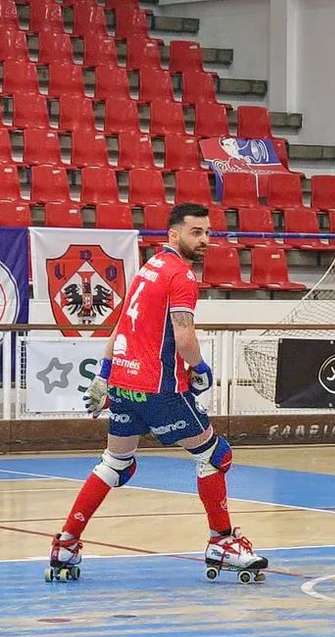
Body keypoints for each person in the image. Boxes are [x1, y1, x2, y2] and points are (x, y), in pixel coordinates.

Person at [45, 203, 268, 584]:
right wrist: (199, 370)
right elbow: (184, 335)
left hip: (125, 386)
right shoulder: (181, 276)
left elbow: (120, 329)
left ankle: (66, 544)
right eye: (196, 232)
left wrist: (104, 376)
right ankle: (221, 541)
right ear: (173, 235)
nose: (205, 240)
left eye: (208, 232)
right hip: (159, 390)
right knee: (216, 454)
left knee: (116, 464)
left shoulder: (147, 270)